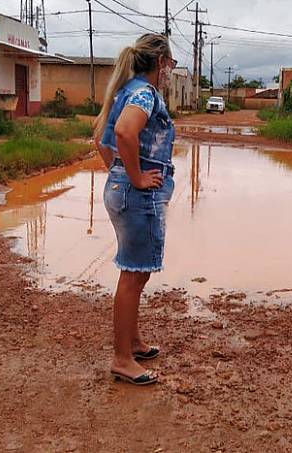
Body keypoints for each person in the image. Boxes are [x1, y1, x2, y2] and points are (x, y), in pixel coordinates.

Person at [93, 33, 177, 385]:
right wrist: (137, 178)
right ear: (160, 63)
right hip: (136, 195)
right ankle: (122, 359)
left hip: (124, 191)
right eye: (170, 65)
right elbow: (125, 133)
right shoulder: (144, 93)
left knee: (138, 272)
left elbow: (101, 140)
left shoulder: (127, 90)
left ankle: (133, 342)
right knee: (132, 275)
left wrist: (119, 175)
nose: (171, 71)